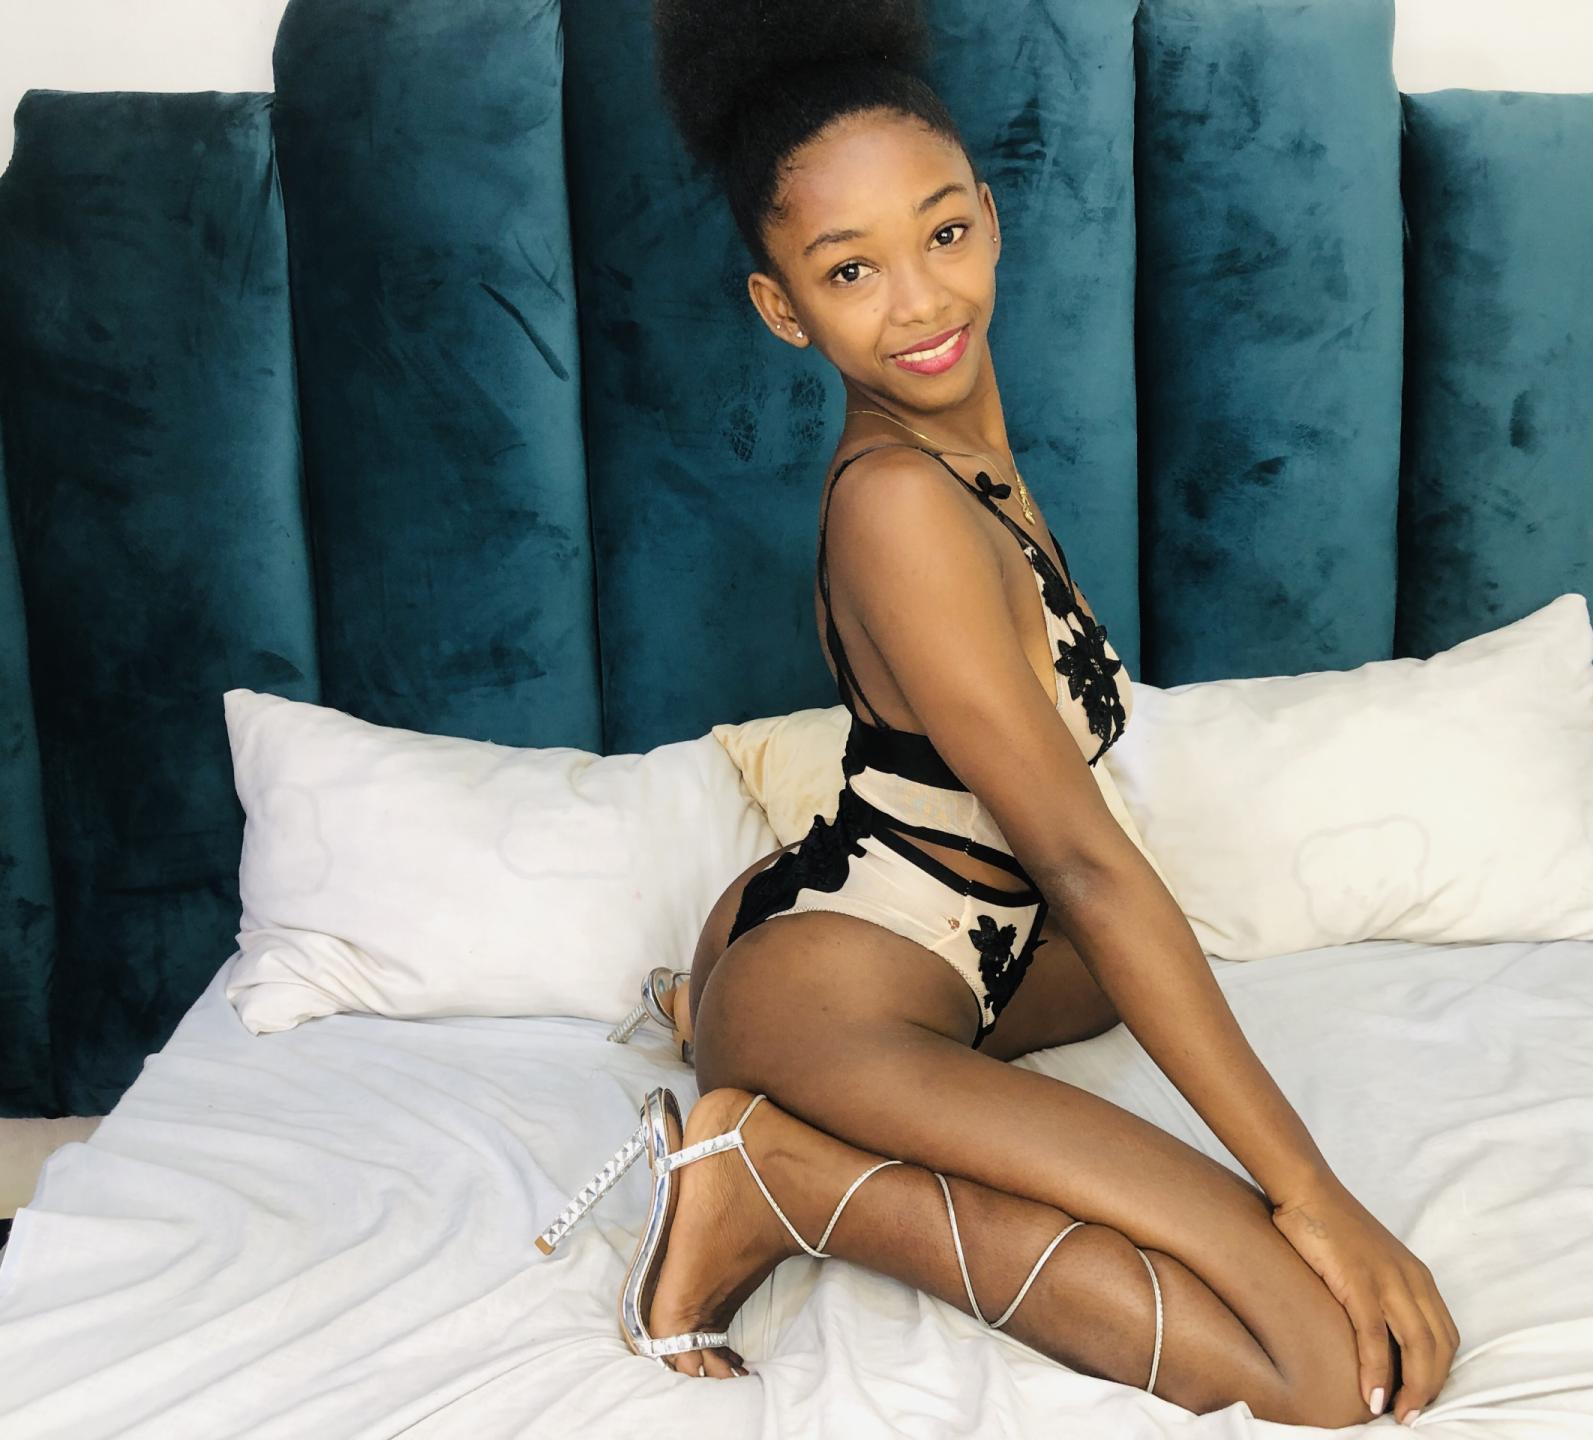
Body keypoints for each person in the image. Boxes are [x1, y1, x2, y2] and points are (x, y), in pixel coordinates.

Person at [547, 1, 1459, 1425]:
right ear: (784, 308)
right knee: (1326, 1368)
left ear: (989, 214)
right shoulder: (901, 504)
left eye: (944, 233)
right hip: (836, 995)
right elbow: (1084, 862)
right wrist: (1313, 1194)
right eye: (851, 270)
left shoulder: (960, 444)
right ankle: (773, 1175)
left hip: (907, 928)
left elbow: (1063, 868)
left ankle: (708, 1005)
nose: (920, 303)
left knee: (1132, 945)